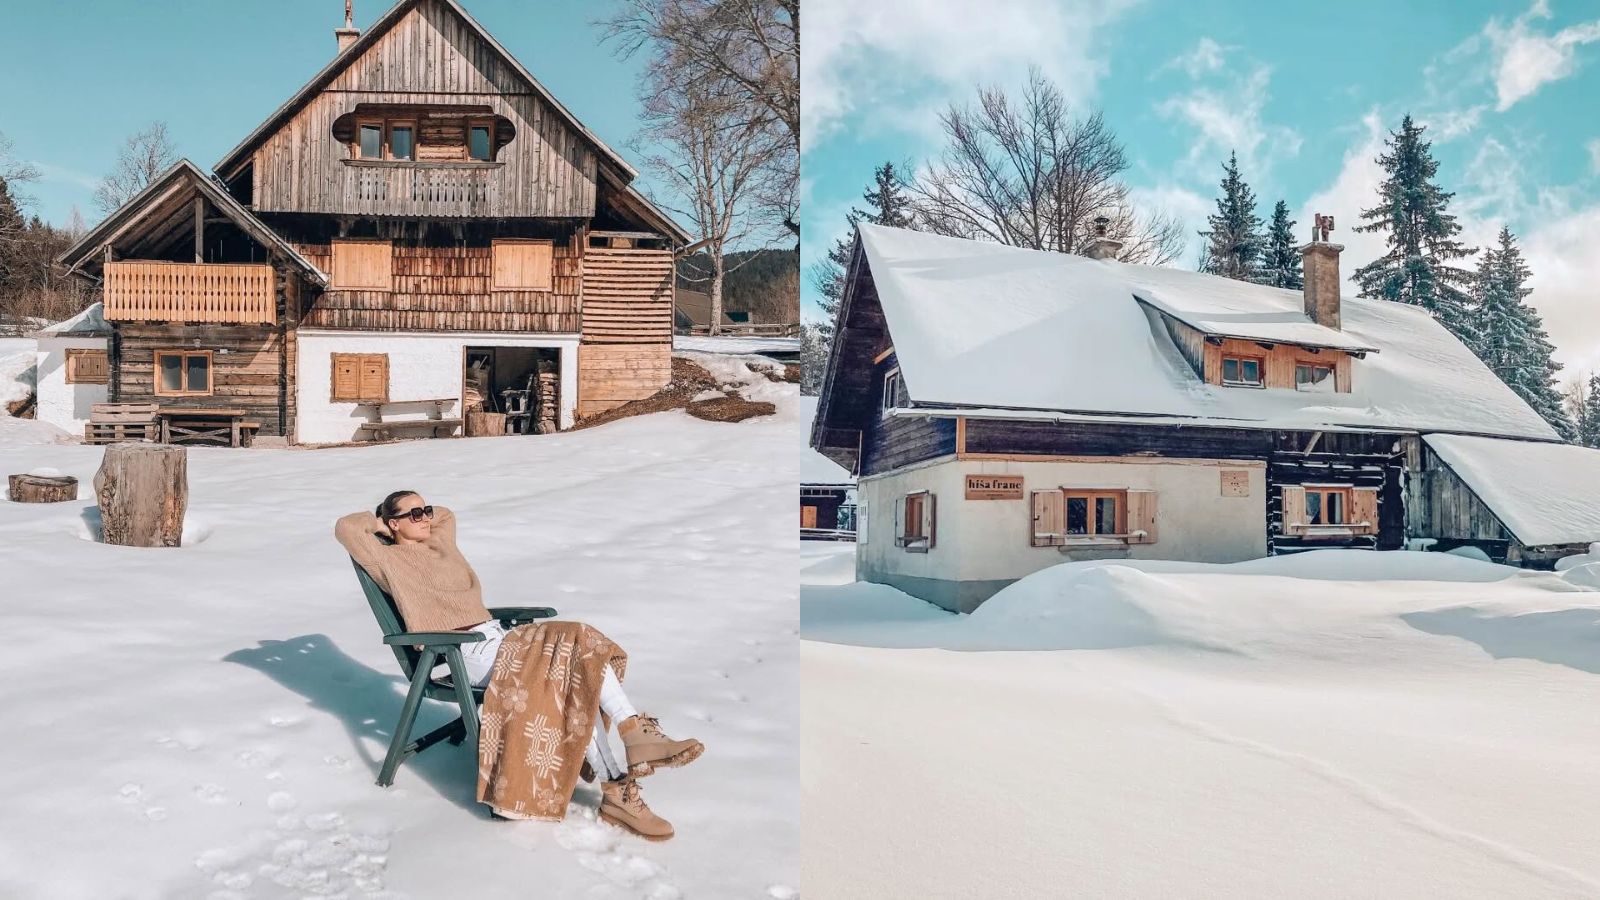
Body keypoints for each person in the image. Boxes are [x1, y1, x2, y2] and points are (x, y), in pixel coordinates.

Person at [336, 490, 703, 840]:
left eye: (425, 510)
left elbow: (447, 515)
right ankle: (625, 767)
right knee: (573, 657)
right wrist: (382, 525)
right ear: (393, 523)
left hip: (498, 638)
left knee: (581, 649)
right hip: (464, 651)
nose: (426, 518)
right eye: (414, 514)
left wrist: (416, 517)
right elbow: (347, 527)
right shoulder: (387, 559)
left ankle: (629, 743)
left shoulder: (440, 542)